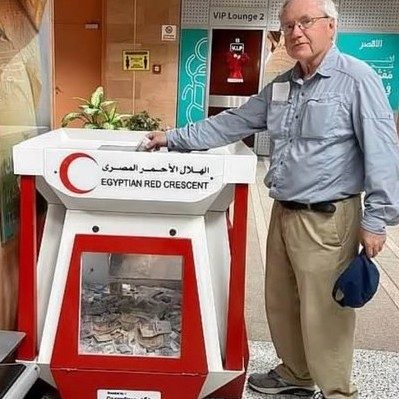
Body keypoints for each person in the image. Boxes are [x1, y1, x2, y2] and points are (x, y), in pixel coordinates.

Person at [146, 0, 399, 397]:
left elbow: (383, 150)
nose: (295, 32)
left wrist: (377, 217)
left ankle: (337, 391)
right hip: (284, 211)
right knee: (281, 301)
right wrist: (174, 138)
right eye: (287, 26)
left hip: (329, 218)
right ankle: (297, 374)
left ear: (331, 26)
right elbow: (236, 120)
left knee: (325, 311)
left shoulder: (357, 79)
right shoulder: (283, 83)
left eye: (305, 22)